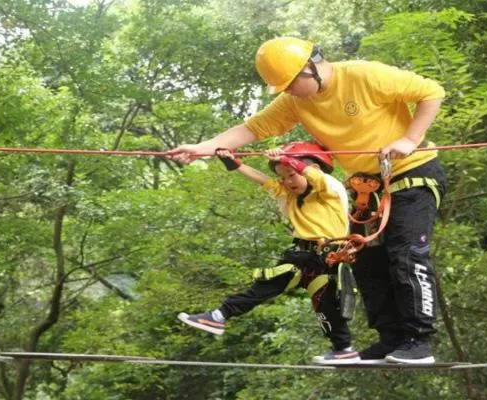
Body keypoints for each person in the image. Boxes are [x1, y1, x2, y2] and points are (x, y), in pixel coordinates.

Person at [169, 37, 448, 364]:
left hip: (413, 171)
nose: (287, 91)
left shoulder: (363, 75)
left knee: (406, 252)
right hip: (367, 187)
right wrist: (203, 147)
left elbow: (431, 91)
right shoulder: (296, 101)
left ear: (310, 68)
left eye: (289, 84)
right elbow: (254, 128)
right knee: (368, 264)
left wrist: (409, 139)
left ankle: (419, 341)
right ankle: (391, 340)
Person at [177, 142, 360, 365]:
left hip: (325, 258)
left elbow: (317, 177)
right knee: (267, 288)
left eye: (292, 175)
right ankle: (344, 349)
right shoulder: (290, 197)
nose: (287, 182)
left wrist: (286, 159)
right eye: (284, 177)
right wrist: (235, 164)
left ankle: (343, 347)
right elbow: (264, 180)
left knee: (326, 307)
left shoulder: (330, 191)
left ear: (313, 170)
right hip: (303, 256)